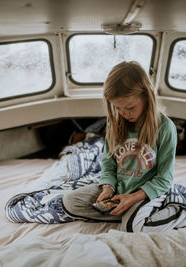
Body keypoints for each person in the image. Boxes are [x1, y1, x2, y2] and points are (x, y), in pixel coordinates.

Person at [62, 61, 177, 222]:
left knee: (131, 223)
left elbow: (164, 178)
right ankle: (127, 214)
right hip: (117, 190)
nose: (124, 114)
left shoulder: (165, 128)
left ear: (146, 96)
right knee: (69, 202)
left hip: (144, 193)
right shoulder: (114, 123)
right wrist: (108, 188)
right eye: (117, 108)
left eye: (130, 108)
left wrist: (134, 197)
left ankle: (133, 214)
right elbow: (108, 164)